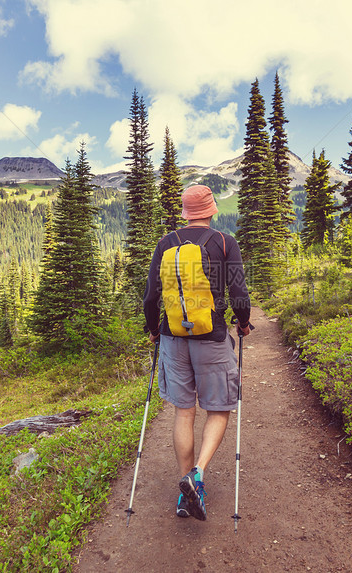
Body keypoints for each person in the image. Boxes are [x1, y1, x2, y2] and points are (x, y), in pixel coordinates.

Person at [143, 184, 252, 521]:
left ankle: (183, 491)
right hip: (212, 337)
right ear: (210, 210)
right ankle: (198, 475)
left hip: (173, 338)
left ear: (185, 212)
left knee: (184, 412)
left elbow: (150, 296)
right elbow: (238, 291)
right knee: (219, 408)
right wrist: (243, 323)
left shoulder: (165, 243)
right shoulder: (223, 242)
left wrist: (153, 329)